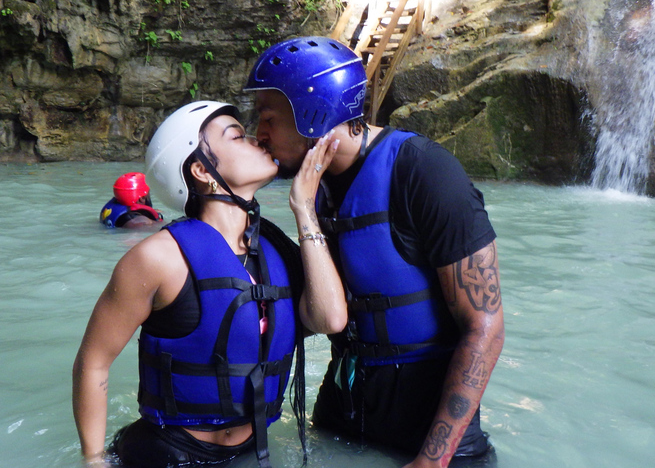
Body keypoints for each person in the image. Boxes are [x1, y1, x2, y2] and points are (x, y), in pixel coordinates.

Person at [244, 37, 505, 468]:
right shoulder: (313, 189)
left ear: (314, 113)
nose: (260, 133)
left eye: (268, 118)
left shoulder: (423, 171)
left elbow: (485, 326)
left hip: (433, 436)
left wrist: (433, 460)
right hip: (343, 414)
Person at [73, 101, 347, 468]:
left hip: (253, 452)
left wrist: (304, 209)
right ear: (202, 170)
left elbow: (330, 320)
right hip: (166, 454)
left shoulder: (278, 249)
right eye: (237, 135)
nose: (256, 139)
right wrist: (93, 461)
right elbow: (93, 362)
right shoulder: (157, 259)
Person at [99, 172, 163, 228]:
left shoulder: (117, 208)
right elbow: (166, 232)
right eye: (148, 194)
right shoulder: (140, 223)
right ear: (142, 199)